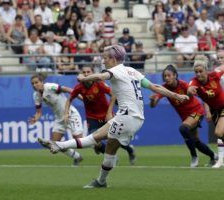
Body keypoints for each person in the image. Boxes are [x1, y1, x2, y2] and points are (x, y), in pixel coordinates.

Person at [38, 44, 189, 188]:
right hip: (135, 117)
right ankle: (101, 181)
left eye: (106, 58)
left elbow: (101, 76)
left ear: (114, 59)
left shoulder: (115, 70)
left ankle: (58, 145)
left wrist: (85, 78)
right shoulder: (132, 71)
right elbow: (154, 86)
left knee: (94, 137)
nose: (104, 60)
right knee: (110, 148)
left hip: (127, 116)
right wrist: (176, 95)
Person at [64, 65, 136, 165]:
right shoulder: (79, 87)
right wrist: (66, 114)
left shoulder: (99, 84)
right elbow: (69, 100)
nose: (86, 74)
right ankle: (113, 157)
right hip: (92, 118)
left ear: (92, 73)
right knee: (95, 142)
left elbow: (113, 95)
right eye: (84, 72)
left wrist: (109, 112)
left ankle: (130, 150)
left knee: (114, 139)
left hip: (106, 117)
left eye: (88, 72)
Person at [150, 64, 217, 167]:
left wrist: (208, 111)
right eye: (165, 76)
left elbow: (205, 96)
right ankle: (214, 157)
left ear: (175, 75)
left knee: (183, 128)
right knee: (196, 142)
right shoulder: (164, 88)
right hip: (186, 117)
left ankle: (194, 157)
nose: (167, 78)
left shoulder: (184, 85)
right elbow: (153, 105)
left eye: (169, 75)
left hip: (197, 112)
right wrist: (153, 100)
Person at [29, 73, 83, 166]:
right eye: (33, 84)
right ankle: (77, 157)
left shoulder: (50, 87)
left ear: (42, 82)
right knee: (54, 145)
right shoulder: (36, 95)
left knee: (81, 141)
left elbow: (67, 89)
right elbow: (38, 112)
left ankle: (102, 147)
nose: (35, 85)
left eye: (36, 82)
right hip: (59, 119)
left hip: (70, 114)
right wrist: (35, 119)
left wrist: (82, 98)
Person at [188, 55, 224, 168]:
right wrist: (189, 91)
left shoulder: (215, 75)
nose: (198, 74)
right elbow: (189, 89)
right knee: (222, 135)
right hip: (214, 110)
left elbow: (222, 67)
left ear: (206, 71)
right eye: (196, 72)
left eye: (200, 71)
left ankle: (220, 161)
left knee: (218, 133)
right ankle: (221, 160)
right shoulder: (194, 82)